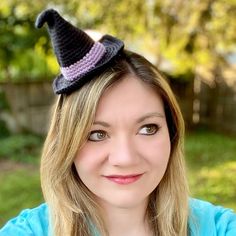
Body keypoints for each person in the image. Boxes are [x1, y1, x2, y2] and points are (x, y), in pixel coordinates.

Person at [0, 8, 236, 236]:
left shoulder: (219, 228)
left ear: (172, 134)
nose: (125, 158)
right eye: (97, 134)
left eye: (147, 128)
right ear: (66, 144)